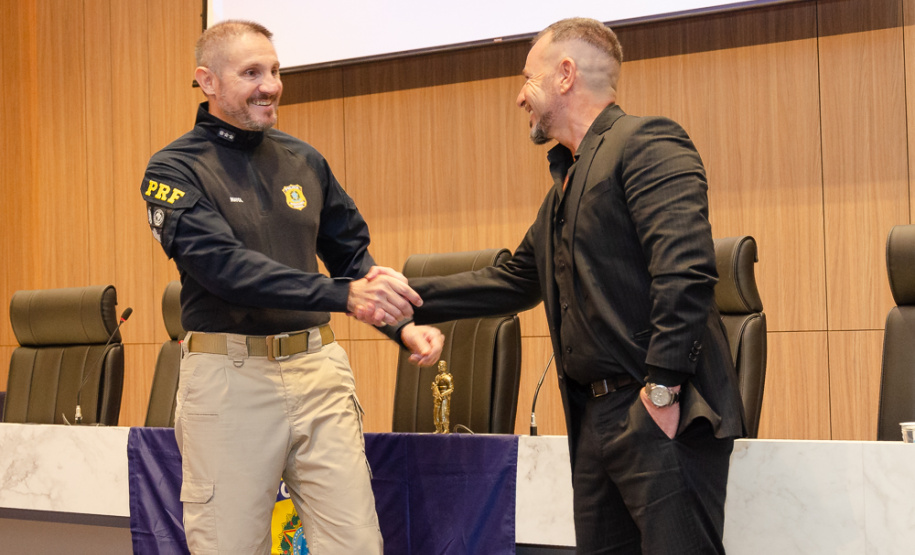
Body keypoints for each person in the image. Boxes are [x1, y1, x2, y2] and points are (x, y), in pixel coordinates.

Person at [362, 17, 745, 554]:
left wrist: (661, 391)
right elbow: (512, 280)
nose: (521, 97)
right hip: (594, 425)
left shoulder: (648, 142)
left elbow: (685, 271)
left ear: (565, 75)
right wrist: (403, 295)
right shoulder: (563, 188)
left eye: (528, 78)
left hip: (659, 415)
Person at [141, 20, 443, 554]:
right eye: (251, 72)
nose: (271, 85)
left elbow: (351, 255)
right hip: (229, 384)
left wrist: (403, 325)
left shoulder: (304, 159)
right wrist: (341, 296)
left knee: (357, 545)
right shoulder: (174, 169)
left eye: (275, 71)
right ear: (207, 81)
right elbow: (226, 269)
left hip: (318, 374)